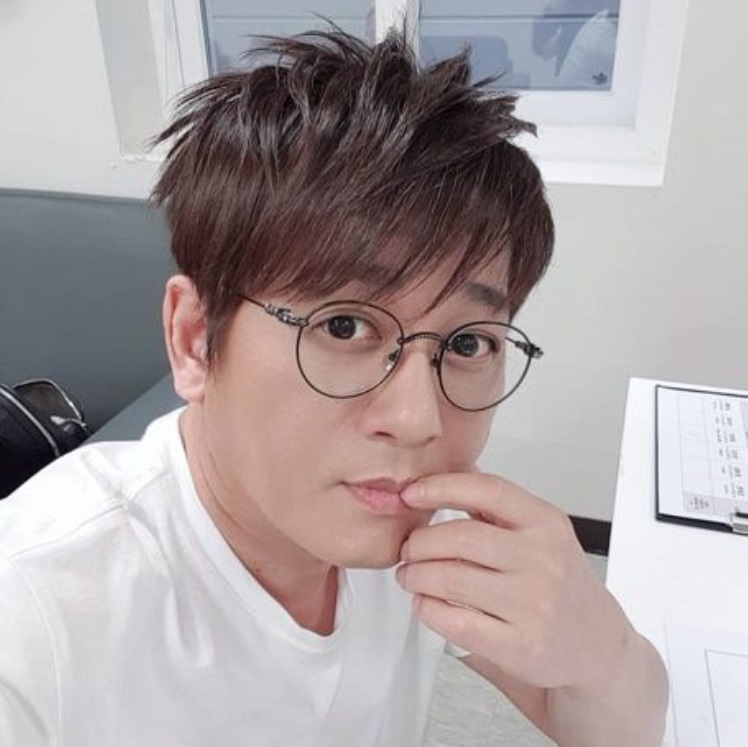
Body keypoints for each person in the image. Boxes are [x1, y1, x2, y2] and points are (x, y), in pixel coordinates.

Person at [0, 27, 667, 747]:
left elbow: (622, 727)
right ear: (195, 338)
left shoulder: (429, 536)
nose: (417, 420)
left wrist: (602, 651)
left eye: (466, 344)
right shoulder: (36, 615)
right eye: (345, 327)